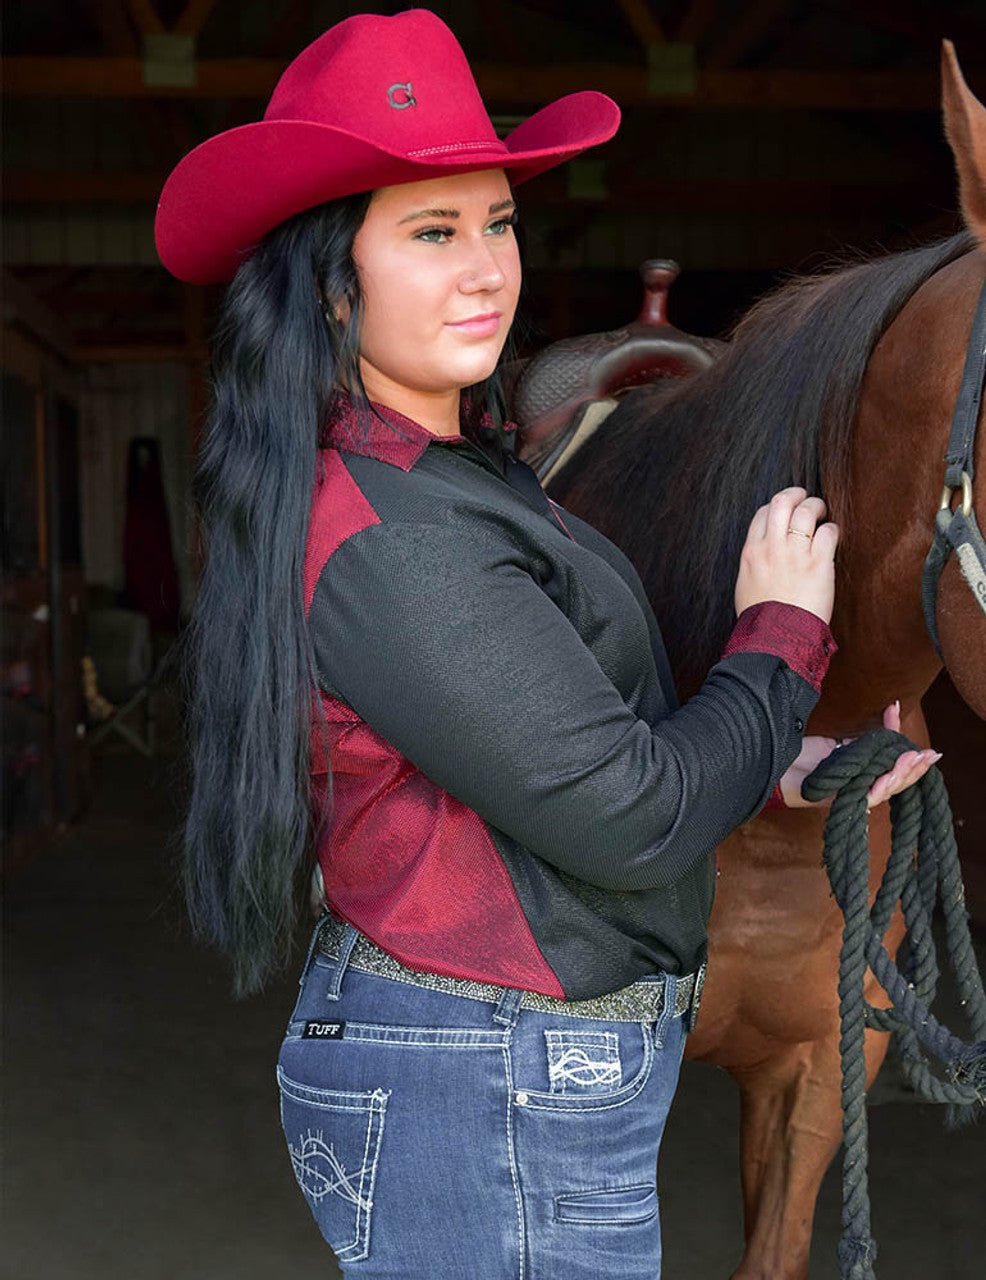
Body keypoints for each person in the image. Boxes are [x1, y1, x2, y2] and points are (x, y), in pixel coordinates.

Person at [155, 10, 939, 1277]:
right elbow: (626, 814)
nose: (486, 269)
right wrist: (780, 630)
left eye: (497, 223)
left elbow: (555, 741)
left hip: (501, 1073)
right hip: (488, 1080)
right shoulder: (392, 536)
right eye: (429, 231)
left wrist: (772, 756)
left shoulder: (452, 474)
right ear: (326, 277)